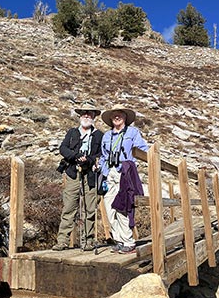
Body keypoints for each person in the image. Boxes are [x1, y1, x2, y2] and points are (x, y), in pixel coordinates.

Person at [52, 104, 104, 251]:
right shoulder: (72, 132)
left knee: (90, 208)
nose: (86, 116)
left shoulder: (99, 135)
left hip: (90, 174)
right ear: (80, 116)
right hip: (73, 173)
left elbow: (101, 154)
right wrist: (75, 156)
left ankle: (87, 241)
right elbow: (63, 148)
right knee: (69, 207)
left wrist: (89, 159)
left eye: (89, 114)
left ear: (94, 117)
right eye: (83, 114)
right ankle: (62, 241)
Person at [99, 104, 149, 254]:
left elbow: (142, 149)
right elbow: (103, 155)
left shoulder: (133, 132)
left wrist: (133, 164)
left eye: (120, 114)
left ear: (125, 117)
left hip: (124, 173)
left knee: (122, 207)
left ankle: (128, 241)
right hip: (110, 173)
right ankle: (118, 240)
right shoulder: (107, 136)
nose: (117, 116)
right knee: (109, 208)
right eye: (114, 114)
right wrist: (104, 170)